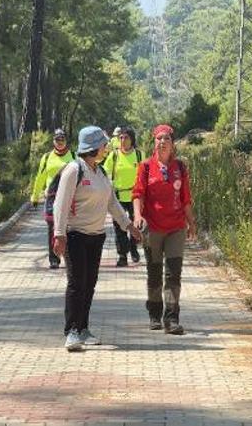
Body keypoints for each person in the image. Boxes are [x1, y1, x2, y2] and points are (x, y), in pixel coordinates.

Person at [52, 125, 140, 351]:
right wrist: (59, 234)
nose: (107, 148)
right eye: (103, 144)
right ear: (93, 147)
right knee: (76, 283)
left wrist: (129, 225)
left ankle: (83, 328)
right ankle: (71, 331)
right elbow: (60, 204)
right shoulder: (74, 170)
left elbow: (112, 203)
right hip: (75, 235)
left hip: (96, 237)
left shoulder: (100, 172)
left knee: (89, 284)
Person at [132, 124, 197, 335]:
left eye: (166, 139)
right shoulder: (146, 167)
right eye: (159, 139)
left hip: (176, 227)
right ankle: (154, 313)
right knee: (154, 273)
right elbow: (138, 194)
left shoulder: (180, 167)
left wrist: (192, 223)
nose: (162, 142)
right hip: (153, 228)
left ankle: (171, 318)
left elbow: (186, 198)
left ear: (172, 143)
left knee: (173, 273)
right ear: (154, 142)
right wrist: (138, 215)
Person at [30, 128, 75, 269]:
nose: (60, 142)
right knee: (51, 227)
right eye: (57, 139)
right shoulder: (47, 157)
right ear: (53, 141)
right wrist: (35, 196)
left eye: (62, 139)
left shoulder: (73, 156)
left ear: (66, 141)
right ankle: (54, 258)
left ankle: (69, 256)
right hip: (51, 196)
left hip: (68, 196)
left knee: (68, 227)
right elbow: (40, 177)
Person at [103, 126, 144, 266]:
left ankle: (133, 248)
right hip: (118, 197)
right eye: (120, 137)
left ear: (132, 139)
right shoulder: (114, 156)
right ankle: (122, 256)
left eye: (125, 137)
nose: (122, 140)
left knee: (136, 225)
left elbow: (146, 175)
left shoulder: (139, 155)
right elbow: (104, 171)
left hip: (135, 198)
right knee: (119, 227)